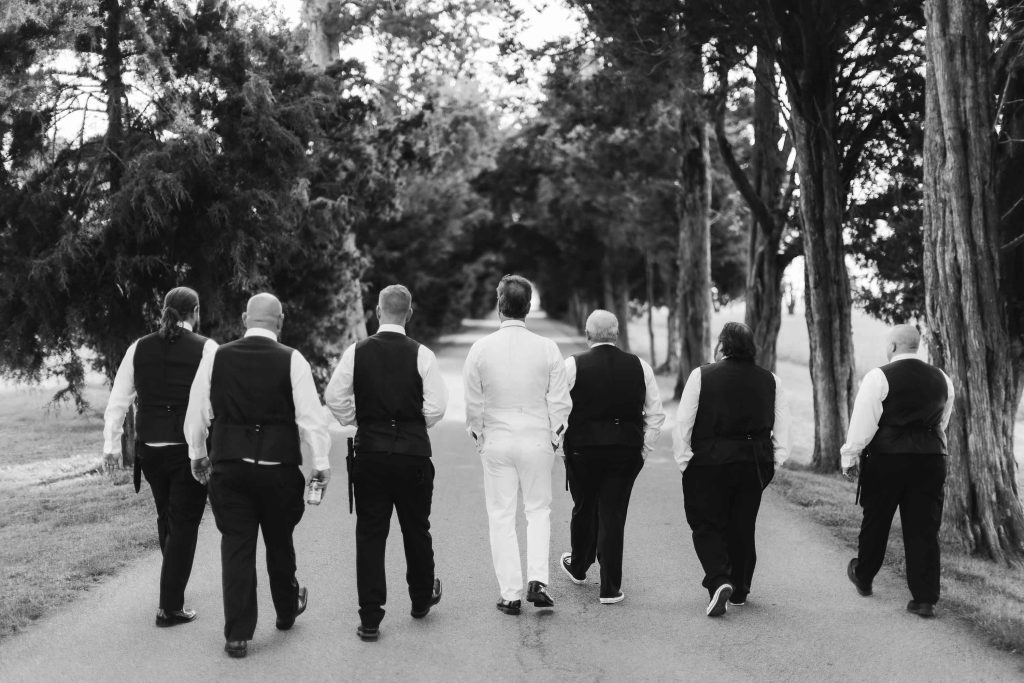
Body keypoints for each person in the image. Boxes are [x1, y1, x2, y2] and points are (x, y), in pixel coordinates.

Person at [183, 293, 331, 659]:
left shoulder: (216, 357)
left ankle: (237, 634)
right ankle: (286, 610)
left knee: (237, 546)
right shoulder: (292, 359)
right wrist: (320, 462)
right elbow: (311, 418)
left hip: (230, 466)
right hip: (278, 468)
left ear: (244, 318)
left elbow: (197, 412)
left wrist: (198, 454)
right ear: (280, 321)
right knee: (279, 540)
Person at [324, 284, 448, 643]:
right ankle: (421, 599)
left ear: (378, 312)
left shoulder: (356, 352)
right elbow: (437, 407)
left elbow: (334, 397)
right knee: (416, 528)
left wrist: (359, 420)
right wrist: (413, 425)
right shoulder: (422, 354)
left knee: (370, 534)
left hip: (371, 454)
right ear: (409, 314)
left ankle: (370, 618)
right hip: (412, 455)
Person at [103, 286, 216, 628]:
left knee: (167, 515)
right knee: (184, 523)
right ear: (195, 311)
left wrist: (111, 446)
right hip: (187, 449)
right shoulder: (207, 348)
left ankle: (172, 582)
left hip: (149, 449)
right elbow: (211, 400)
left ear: (164, 310)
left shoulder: (138, 347)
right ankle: (169, 607)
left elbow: (118, 400)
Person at [463, 274, 572, 615]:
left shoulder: (480, 349)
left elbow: (473, 403)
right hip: (537, 437)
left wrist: (479, 436)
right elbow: (560, 401)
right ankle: (537, 580)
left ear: (500, 306)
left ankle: (510, 594)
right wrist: (555, 436)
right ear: (527, 307)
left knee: (501, 515)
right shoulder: (547, 348)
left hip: (497, 439)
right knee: (538, 510)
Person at [673, 322, 790, 617]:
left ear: (722, 346)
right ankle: (739, 589)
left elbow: (683, 423)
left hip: (709, 461)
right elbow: (783, 430)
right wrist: (771, 464)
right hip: (753, 462)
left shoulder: (702, 375)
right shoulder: (771, 380)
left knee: (705, 523)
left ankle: (719, 579)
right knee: (743, 524)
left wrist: (685, 462)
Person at [841, 324, 954, 618]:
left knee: (876, 519)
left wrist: (850, 457)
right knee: (924, 528)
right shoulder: (942, 379)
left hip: (887, 459)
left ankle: (864, 576)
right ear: (917, 346)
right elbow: (942, 421)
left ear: (892, 347)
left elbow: (863, 422)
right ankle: (925, 599)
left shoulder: (879, 377)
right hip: (930, 459)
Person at [559, 310, 665, 604]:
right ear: (617, 334)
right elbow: (655, 415)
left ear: (587, 334)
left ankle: (579, 566)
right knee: (613, 514)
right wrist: (643, 450)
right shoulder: (640, 366)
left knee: (584, 507)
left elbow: (557, 412)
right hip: (625, 450)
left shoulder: (572, 365)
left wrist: (561, 450)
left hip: (582, 451)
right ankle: (609, 587)